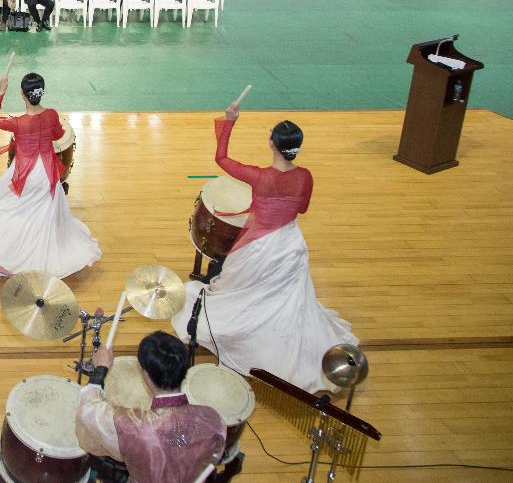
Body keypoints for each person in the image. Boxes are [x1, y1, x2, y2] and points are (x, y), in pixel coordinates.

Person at [171, 101, 358, 393]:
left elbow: (221, 158)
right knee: (286, 297)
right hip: (289, 244)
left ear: (272, 143)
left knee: (241, 287)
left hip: (258, 247)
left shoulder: (261, 178)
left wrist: (229, 120)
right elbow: (303, 208)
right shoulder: (305, 177)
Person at [0, 73, 100, 278]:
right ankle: (38, 248)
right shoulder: (52, 115)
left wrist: (1, 91)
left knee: (14, 211)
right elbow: (57, 134)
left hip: (27, 174)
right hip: (47, 174)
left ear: (23, 95)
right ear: (41, 93)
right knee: (38, 213)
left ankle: (8, 258)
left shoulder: (18, 123)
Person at [76, 332, 226, 483]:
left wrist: (101, 369)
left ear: (145, 374)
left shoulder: (133, 429)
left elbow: (89, 410)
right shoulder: (213, 419)